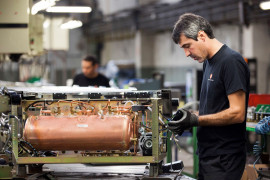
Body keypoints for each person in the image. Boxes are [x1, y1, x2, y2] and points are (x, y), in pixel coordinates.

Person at [168, 13, 250, 180]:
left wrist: (196, 120)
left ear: (201, 35)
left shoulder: (231, 62)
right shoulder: (208, 62)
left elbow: (237, 113)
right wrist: (189, 117)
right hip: (208, 154)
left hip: (224, 158)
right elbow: (214, 108)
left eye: (187, 46)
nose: (186, 53)